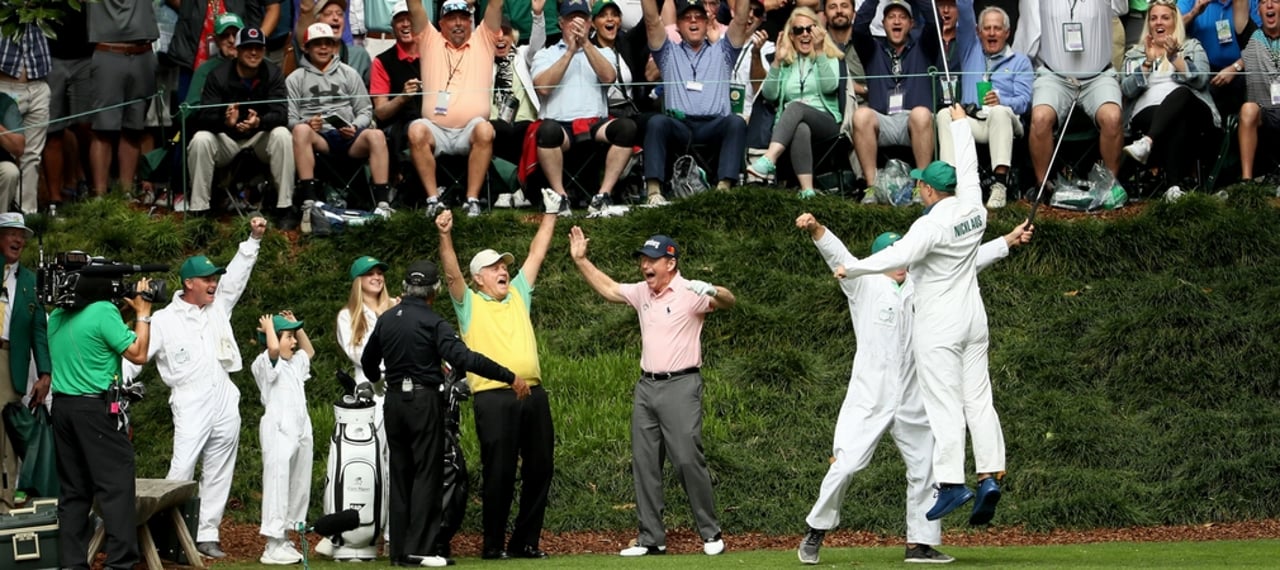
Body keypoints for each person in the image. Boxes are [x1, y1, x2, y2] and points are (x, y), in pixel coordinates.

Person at [792, 211, 1033, 566]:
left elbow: (968, 262)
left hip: (914, 395)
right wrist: (815, 228)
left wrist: (1009, 240)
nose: (902, 264)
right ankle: (817, 529)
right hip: (869, 395)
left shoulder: (926, 279)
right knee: (845, 466)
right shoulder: (863, 281)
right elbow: (837, 254)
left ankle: (919, 544)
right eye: (894, 256)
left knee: (926, 470)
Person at [834, 104, 1007, 527]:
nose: (921, 192)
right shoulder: (975, 210)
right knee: (978, 399)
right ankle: (990, 473)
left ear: (930, 192)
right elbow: (968, 167)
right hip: (974, 321)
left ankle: (951, 483)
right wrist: (962, 124)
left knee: (944, 403)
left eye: (922, 187)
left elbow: (897, 255)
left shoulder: (930, 226)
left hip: (940, 327)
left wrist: (853, 267)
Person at [568, 228, 736, 557]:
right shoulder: (644, 293)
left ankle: (711, 532)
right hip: (646, 387)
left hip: (681, 385)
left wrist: (713, 289)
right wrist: (581, 260)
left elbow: (728, 302)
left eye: (652, 260)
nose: (645, 265)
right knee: (645, 464)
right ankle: (651, 538)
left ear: (670, 263)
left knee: (687, 458)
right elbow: (610, 289)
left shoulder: (690, 292)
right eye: (643, 259)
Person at [360, 259, 528, 568]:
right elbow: (463, 357)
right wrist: (509, 376)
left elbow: (369, 364)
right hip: (424, 401)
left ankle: (399, 551)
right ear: (434, 291)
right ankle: (421, 549)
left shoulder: (386, 320)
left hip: (394, 402)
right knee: (427, 473)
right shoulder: (433, 321)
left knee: (400, 474)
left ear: (405, 288)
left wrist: (387, 376)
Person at [127, 216, 268, 559]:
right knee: (182, 467)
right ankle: (165, 536)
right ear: (188, 283)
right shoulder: (163, 319)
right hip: (189, 397)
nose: (214, 283)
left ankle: (206, 533)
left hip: (223, 391)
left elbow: (236, 277)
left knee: (221, 466)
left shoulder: (219, 304)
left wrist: (253, 240)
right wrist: (117, 385)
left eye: (214, 278)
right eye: (207, 279)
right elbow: (135, 355)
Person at [434, 190, 560, 561]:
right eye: (493, 268)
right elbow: (451, 273)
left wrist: (551, 212)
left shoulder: (519, 293)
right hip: (493, 397)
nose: (503, 270)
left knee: (540, 469)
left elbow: (536, 253)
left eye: (504, 266)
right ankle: (492, 545)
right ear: (478, 279)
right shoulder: (469, 303)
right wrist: (445, 235)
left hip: (534, 395)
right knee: (499, 473)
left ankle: (525, 542)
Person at [48, 278, 153, 569]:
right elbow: (139, 352)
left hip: (63, 408)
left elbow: (93, 332)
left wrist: (122, 311)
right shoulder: (103, 313)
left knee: (73, 493)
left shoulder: (57, 315)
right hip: (96, 409)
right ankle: (119, 564)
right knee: (116, 488)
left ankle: (72, 564)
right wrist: (143, 313)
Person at [532, 0, 639, 217]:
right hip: (560, 126)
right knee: (547, 131)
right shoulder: (546, 54)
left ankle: (603, 196)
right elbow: (543, 87)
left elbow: (609, 77)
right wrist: (570, 52)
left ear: (590, 24)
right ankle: (560, 197)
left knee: (627, 128)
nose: (577, 23)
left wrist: (586, 46)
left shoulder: (604, 52)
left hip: (594, 123)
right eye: (572, 19)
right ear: (561, 23)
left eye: (582, 19)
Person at [641, 0, 757, 198]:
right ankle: (654, 192)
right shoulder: (667, 53)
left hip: (714, 125)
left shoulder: (724, 51)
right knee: (656, 122)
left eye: (698, 17)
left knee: (736, 122)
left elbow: (740, 20)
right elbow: (652, 21)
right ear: (677, 25)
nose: (693, 22)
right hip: (680, 126)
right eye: (687, 18)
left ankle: (723, 189)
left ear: (707, 22)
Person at [1014, 0, 1129, 196]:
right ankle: (1043, 187)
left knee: (1112, 117)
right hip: (1055, 75)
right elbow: (1028, 34)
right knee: (1041, 118)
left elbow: (1122, 7)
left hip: (1099, 75)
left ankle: (1111, 189)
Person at [405, 0, 505, 218]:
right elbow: (414, 7)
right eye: (451, 18)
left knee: (485, 130)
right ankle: (433, 200)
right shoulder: (429, 39)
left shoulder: (484, 39)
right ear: (441, 23)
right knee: (415, 130)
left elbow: (496, 5)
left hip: (471, 130)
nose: (458, 23)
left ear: (471, 22)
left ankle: (472, 201)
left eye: (463, 18)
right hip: (436, 130)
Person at [188, 27, 297, 225]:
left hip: (259, 138)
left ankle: (285, 208)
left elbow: (281, 114)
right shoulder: (217, 75)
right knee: (200, 139)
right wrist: (225, 121)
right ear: (237, 50)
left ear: (264, 51)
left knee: (282, 135)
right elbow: (203, 117)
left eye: (258, 48)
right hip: (226, 139)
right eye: (248, 48)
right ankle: (199, 211)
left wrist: (259, 122)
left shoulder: (273, 73)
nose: (254, 53)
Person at [288, 23, 393, 214]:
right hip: (319, 139)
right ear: (306, 48)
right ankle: (309, 201)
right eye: (317, 44)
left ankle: (382, 204)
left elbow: (365, 110)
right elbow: (290, 119)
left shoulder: (349, 73)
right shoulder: (296, 78)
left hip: (349, 137)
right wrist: (308, 123)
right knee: (300, 130)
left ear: (334, 46)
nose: (323, 48)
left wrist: (354, 126)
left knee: (376, 135)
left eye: (328, 43)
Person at [937, 4, 1032, 208]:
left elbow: (1025, 101)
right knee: (945, 114)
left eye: (997, 28)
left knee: (999, 112)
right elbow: (963, 8)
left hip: (1007, 122)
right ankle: (949, 184)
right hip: (974, 120)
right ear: (978, 32)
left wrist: (1002, 100)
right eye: (986, 28)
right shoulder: (970, 49)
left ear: (1007, 32)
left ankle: (999, 186)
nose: (991, 33)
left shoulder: (1020, 61)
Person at [332, 254, 396, 554]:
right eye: (370, 273)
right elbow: (359, 355)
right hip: (368, 397)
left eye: (380, 273)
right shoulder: (348, 315)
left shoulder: (396, 307)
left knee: (396, 462)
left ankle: (393, 532)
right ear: (358, 281)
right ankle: (368, 532)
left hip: (397, 389)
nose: (377, 277)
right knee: (373, 465)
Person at [1119, 1, 1220, 185]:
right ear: (1148, 24)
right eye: (1154, 18)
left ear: (1175, 23)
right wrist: (1147, 63)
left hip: (1194, 109)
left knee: (1181, 94)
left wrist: (1174, 57)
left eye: (1165, 18)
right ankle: (1175, 188)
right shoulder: (1134, 54)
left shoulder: (1191, 46)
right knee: (1176, 119)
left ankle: (1147, 142)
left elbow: (1202, 80)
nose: (1159, 23)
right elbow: (1126, 89)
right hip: (1148, 113)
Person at [747, 7, 844, 197]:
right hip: (793, 127)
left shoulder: (830, 57)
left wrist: (819, 51)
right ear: (791, 35)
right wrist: (776, 61)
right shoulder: (786, 62)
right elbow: (770, 95)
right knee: (801, 127)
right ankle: (807, 190)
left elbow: (830, 87)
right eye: (799, 30)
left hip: (826, 123)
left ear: (817, 32)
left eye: (810, 29)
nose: (805, 34)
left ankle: (769, 159)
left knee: (795, 107)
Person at [850, 0, 941, 193]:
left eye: (902, 17)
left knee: (921, 113)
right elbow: (858, 28)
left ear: (911, 23)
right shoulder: (872, 49)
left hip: (915, 122)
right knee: (861, 115)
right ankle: (871, 188)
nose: (896, 21)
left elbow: (934, 23)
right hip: (884, 122)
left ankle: (921, 186)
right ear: (883, 24)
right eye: (891, 17)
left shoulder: (924, 46)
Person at [252, 312, 315, 565]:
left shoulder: (295, 363)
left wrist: (297, 326)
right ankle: (272, 545)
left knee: (299, 482)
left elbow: (309, 351)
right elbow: (274, 350)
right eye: (289, 337)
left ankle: (286, 536)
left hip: (300, 427)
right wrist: (270, 328)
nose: (294, 342)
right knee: (277, 483)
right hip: (278, 429)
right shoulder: (265, 363)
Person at [0, 213, 52, 508]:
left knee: (8, 435)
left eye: (21, 235)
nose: (18, 240)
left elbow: (39, 331)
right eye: (10, 233)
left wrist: (44, 372)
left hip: (10, 358)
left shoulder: (31, 281)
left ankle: (5, 501)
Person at [88, 0, 159, 199]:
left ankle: (125, 193)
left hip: (143, 51)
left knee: (134, 128)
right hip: (108, 50)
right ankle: (100, 196)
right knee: (102, 130)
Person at [0, 24, 51, 214]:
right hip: (3, 85)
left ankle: (26, 216)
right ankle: (5, 218)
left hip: (38, 83)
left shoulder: (41, 6)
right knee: (7, 154)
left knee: (32, 155)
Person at [1179, 0, 1256, 115]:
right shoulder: (1190, 1)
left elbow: (1263, 41)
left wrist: (1236, 67)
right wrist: (1194, 13)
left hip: (1242, 70)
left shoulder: (1250, 2)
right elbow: (1172, 30)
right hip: (1203, 72)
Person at [1237, 0, 1279, 181]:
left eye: (1275, 1)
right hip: (1265, 109)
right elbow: (1239, 7)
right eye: (1263, 2)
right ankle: (1247, 181)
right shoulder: (1252, 36)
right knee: (1247, 108)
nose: (1269, 6)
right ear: (1258, 10)